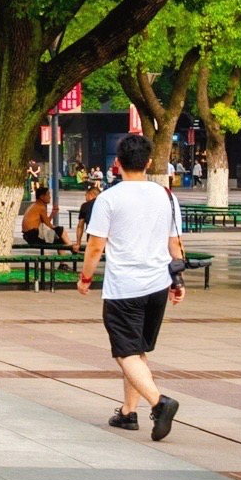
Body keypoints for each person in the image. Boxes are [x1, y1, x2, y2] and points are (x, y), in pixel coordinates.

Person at [78, 133, 184, 439]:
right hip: (158, 285)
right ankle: (127, 412)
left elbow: (95, 246)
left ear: (117, 163)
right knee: (137, 351)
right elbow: (175, 243)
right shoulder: (167, 196)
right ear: (148, 163)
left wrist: (85, 278)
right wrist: (178, 280)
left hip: (124, 288)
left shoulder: (108, 199)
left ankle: (159, 403)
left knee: (125, 352)